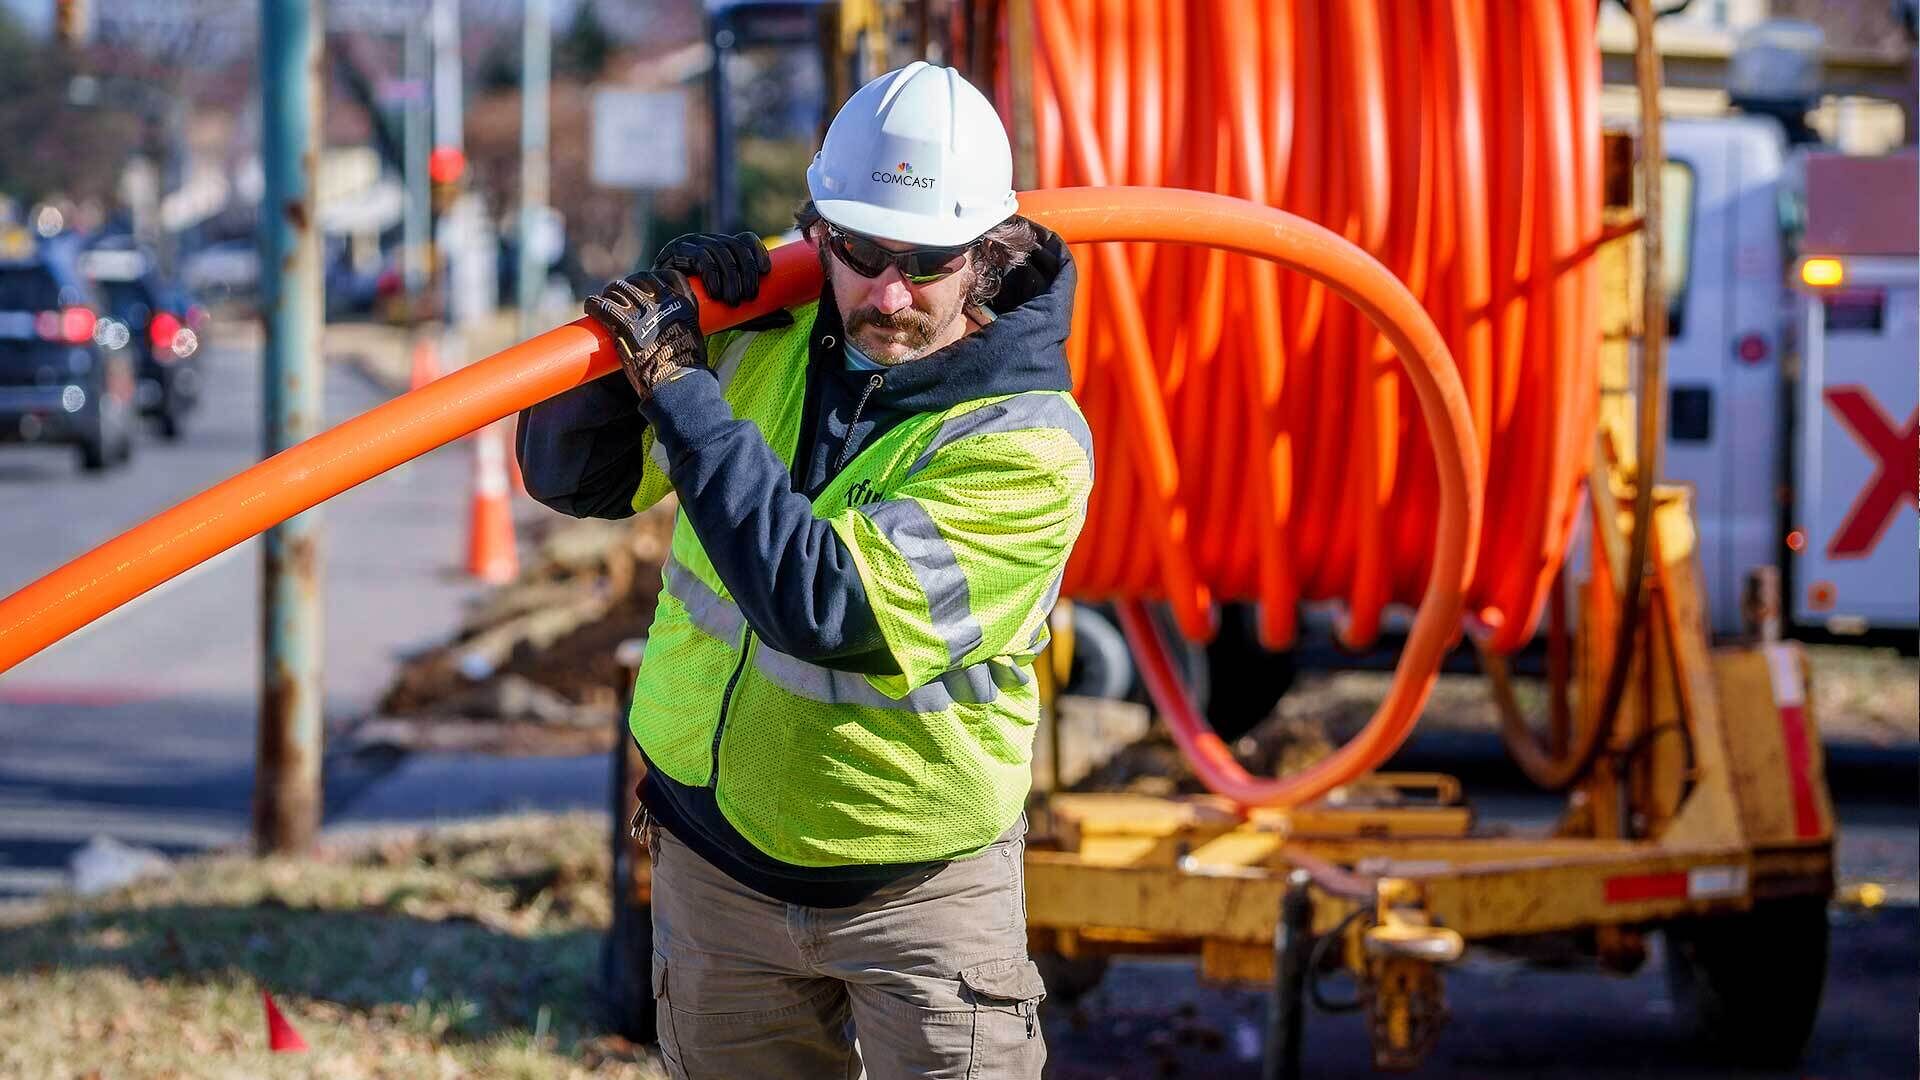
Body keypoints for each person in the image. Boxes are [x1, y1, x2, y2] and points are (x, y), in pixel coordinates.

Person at [518, 61, 1091, 1079]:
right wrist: (643, 333)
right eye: (862, 249)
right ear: (816, 229)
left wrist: (686, 393)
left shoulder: (1026, 444)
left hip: (921, 902)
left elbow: (825, 606)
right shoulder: (768, 339)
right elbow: (572, 478)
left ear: (988, 257)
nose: (889, 292)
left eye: (927, 262)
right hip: (715, 871)